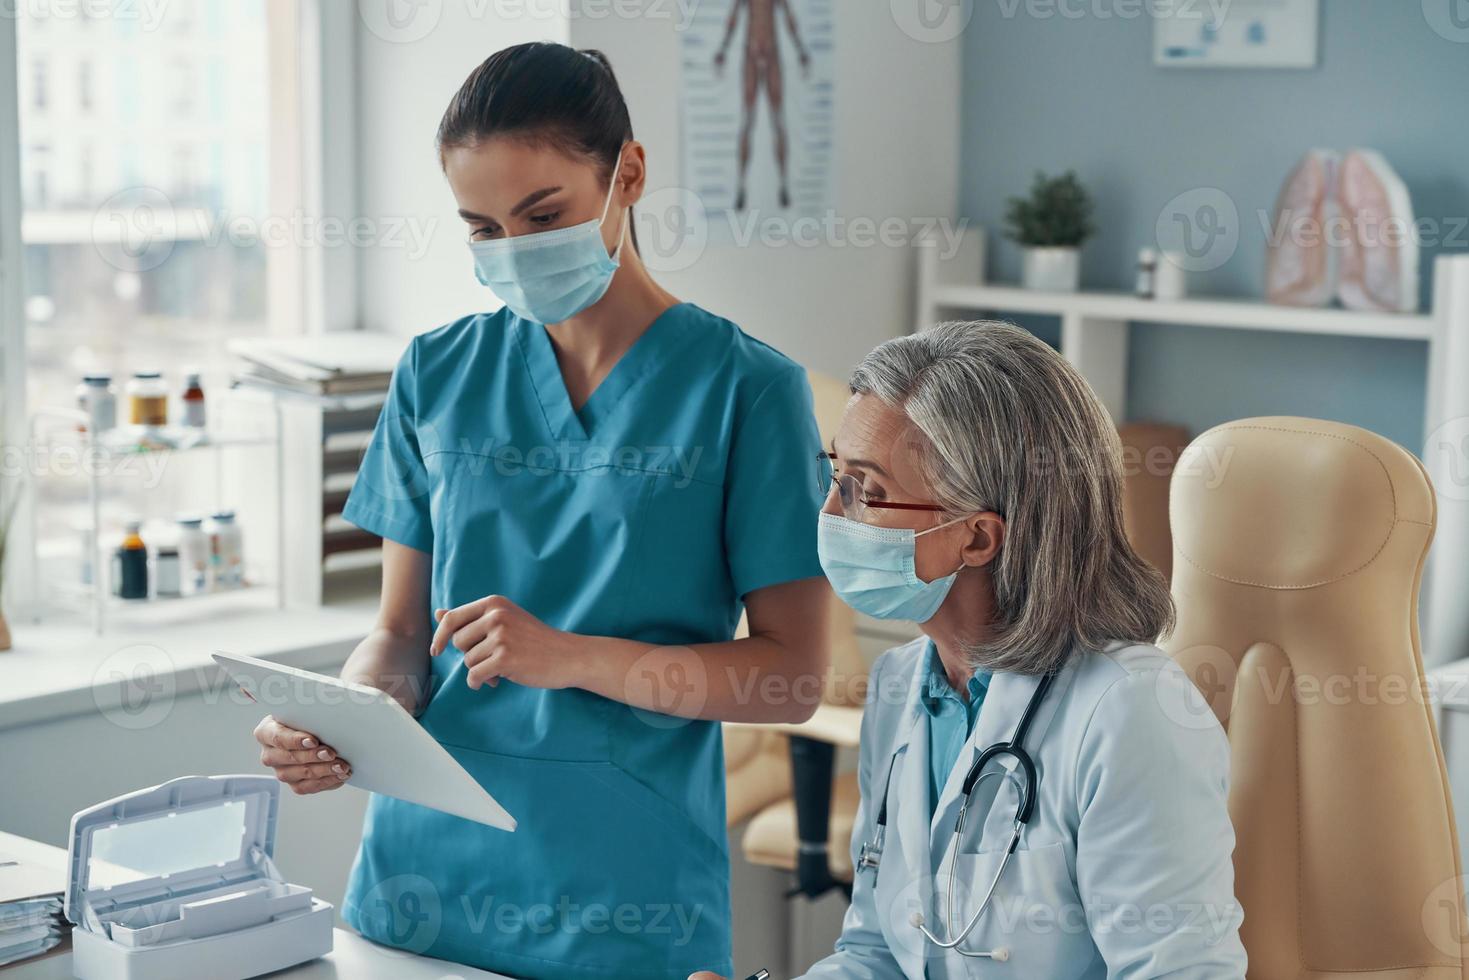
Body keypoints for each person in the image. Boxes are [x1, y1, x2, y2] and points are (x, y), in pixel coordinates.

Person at [251, 42, 830, 980]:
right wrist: (348, 719)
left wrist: (570, 658)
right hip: (420, 883)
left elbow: (790, 679)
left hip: (620, 892)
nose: (514, 252)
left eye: (543, 215)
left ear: (627, 175)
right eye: (482, 228)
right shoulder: (435, 373)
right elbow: (401, 636)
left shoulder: (747, 391)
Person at [692, 321, 1246, 979]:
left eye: (865, 490)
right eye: (835, 476)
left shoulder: (1129, 711)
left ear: (978, 539)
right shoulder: (903, 686)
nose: (831, 514)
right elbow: (878, 954)